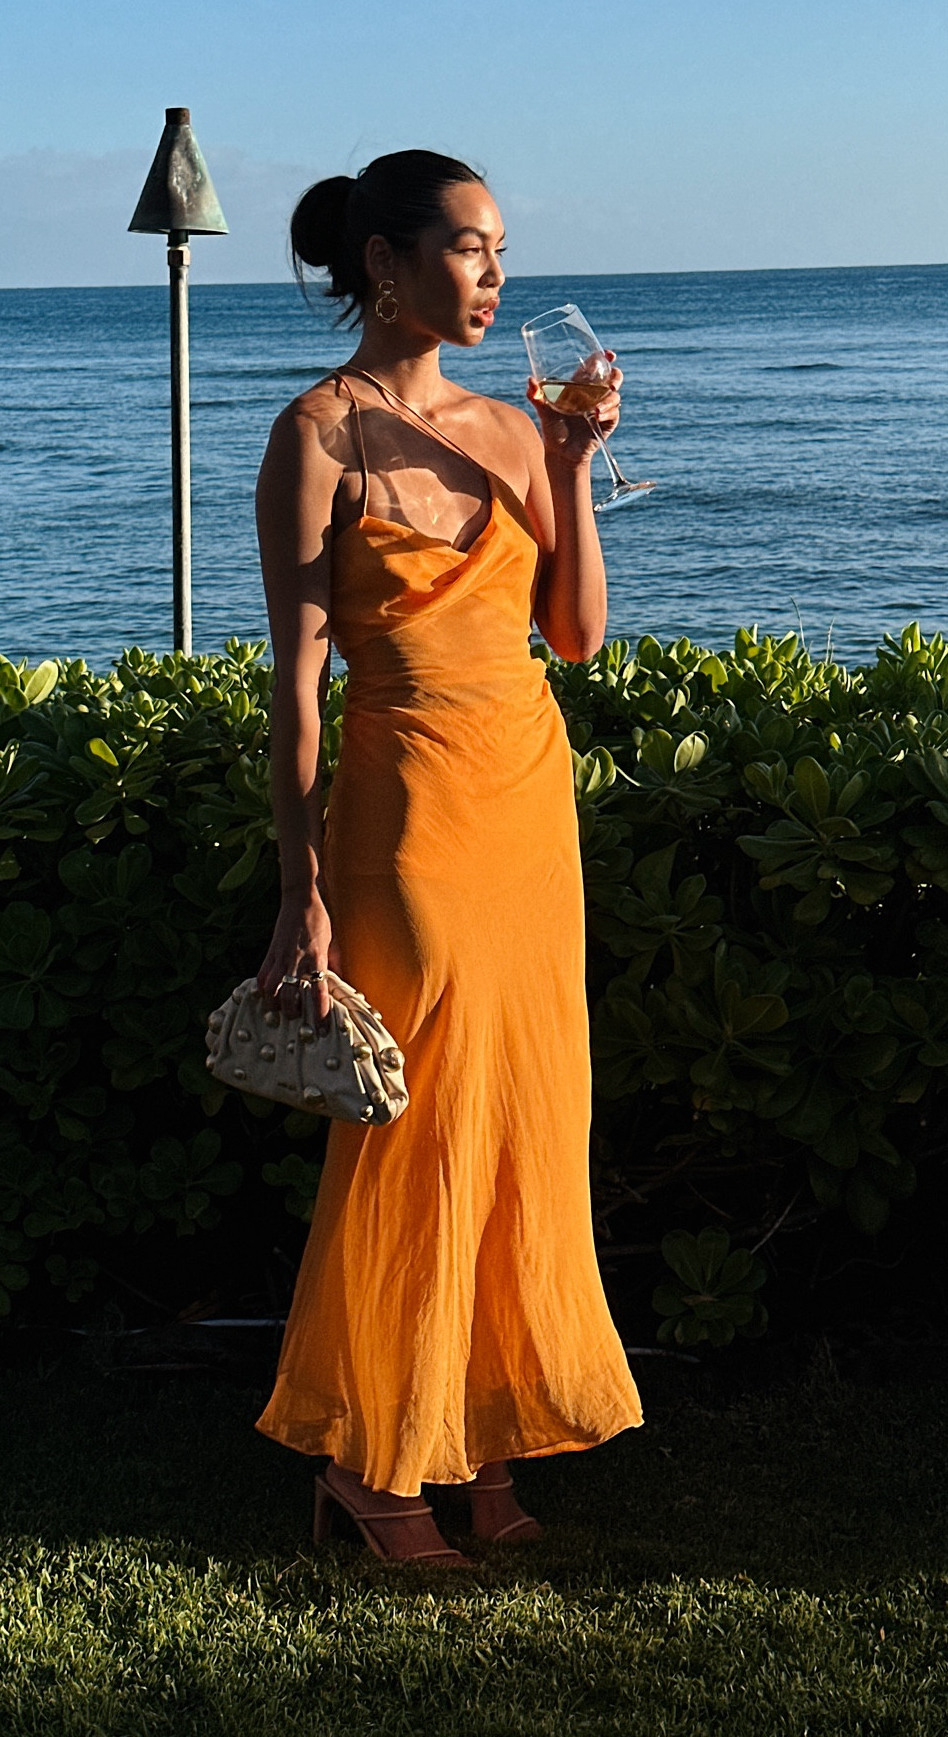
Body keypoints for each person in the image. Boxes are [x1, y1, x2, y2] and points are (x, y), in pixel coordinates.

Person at [253, 149, 642, 1564]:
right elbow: (295, 693)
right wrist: (297, 894)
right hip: (406, 806)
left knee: (528, 1118)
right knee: (419, 1125)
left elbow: (580, 635)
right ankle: (372, 1462)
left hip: (528, 796)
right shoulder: (317, 437)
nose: (494, 277)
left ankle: (478, 1438)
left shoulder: (515, 426)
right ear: (385, 264)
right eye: (470, 250)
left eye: (500, 253)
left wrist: (578, 464)